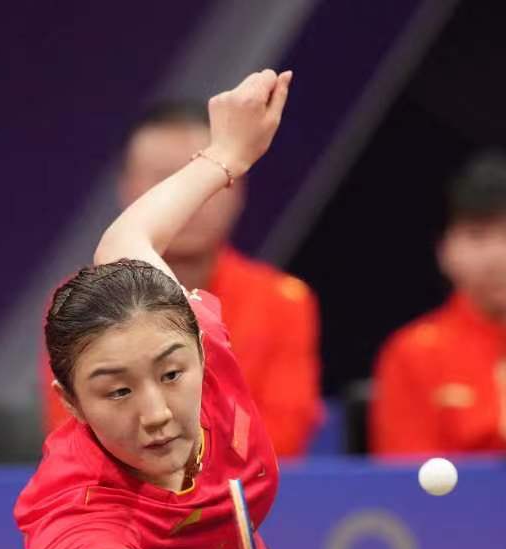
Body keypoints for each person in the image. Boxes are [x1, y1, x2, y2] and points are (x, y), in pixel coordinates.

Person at [1, 70, 293, 549]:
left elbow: (125, 240)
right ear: (70, 401)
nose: (156, 413)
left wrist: (226, 155)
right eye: (117, 392)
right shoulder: (72, 501)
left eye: (171, 376)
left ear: (201, 349)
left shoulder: (190, 335)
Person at [41, 99, 322, 457]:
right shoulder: (77, 304)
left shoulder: (283, 302)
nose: (188, 201)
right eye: (164, 180)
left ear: (237, 187)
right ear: (126, 189)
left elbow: (282, 437)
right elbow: (75, 434)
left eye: (201, 180)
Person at [370, 150, 506, 456]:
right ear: (444, 251)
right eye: (476, 237)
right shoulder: (412, 354)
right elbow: (404, 473)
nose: (497, 257)